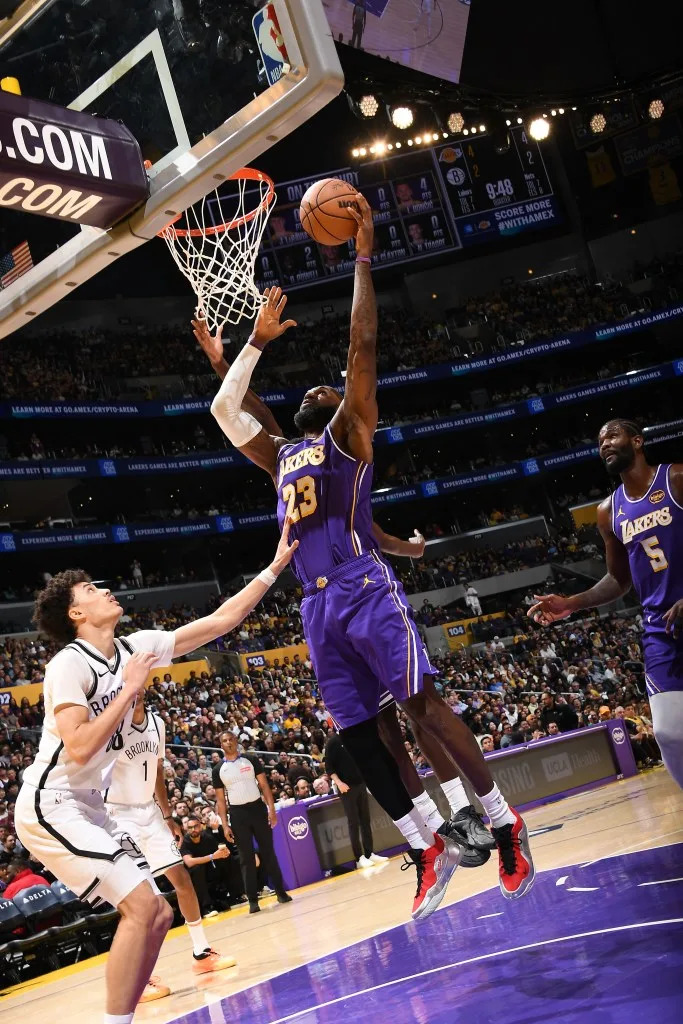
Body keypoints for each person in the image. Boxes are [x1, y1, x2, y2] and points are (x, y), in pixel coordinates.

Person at [204, 194, 534, 918]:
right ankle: (425, 847)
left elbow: (361, 349)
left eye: (328, 387)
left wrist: (360, 253)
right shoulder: (283, 456)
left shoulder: (346, 438)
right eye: (313, 389)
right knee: (363, 736)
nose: (321, 386)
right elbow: (234, 413)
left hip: (361, 587)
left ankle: (506, 823)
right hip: (315, 605)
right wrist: (238, 356)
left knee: (421, 707)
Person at [14, 520, 297, 1024]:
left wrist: (273, 568)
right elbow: (78, 748)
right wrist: (129, 689)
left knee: (159, 913)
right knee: (145, 910)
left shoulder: (133, 647)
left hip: (90, 807)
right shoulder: (68, 665)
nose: (106, 589)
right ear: (76, 613)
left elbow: (217, 623)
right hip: (50, 803)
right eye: (92, 589)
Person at [529, 419, 683, 789]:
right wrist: (570, 603)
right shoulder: (608, 511)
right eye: (600, 441)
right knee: (668, 733)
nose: (605, 444)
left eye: (612, 436)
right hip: (660, 631)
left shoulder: (676, 478)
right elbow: (618, 579)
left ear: (638, 441)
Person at [103, 699, 236, 1002]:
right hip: (119, 816)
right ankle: (139, 977)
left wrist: (166, 813)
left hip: (149, 812)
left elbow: (158, 771)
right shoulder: (112, 725)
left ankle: (201, 953)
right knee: (145, 901)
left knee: (183, 881)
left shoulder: (157, 724)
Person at [213, 731, 292, 914]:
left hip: (257, 809)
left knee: (268, 852)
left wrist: (271, 810)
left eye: (231, 739)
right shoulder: (218, 769)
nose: (228, 742)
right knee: (246, 858)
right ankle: (253, 902)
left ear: (236, 741)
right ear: (221, 745)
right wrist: (225, 825)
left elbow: (264, 786)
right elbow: (221, 801)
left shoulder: (250, 760)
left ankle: (281, 892)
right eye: (224, 740)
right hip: (238, 814)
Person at [324, 731, 387, 869]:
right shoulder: (333, 742)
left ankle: (370, 853)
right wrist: (339, 783)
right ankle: (359, 858)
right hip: (346, 787)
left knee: (365, 820)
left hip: (360, 784)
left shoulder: (353, 737)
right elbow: (329, 767)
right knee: (354, 822)